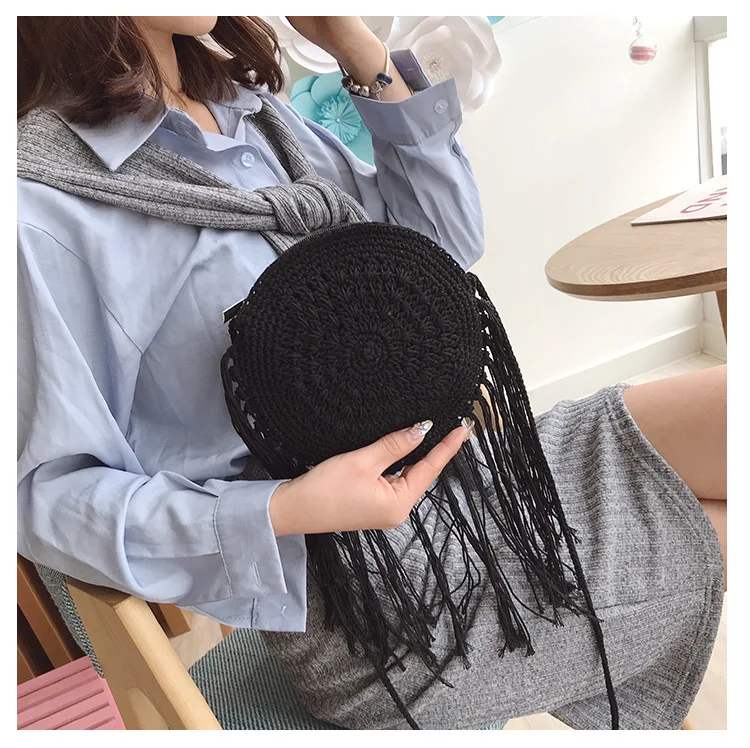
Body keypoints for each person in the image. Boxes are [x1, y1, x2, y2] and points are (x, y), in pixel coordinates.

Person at [17, 16, 726, 730]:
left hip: (479, 482)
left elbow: (436, 251)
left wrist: (355, 47)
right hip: (372, 606)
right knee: (720, 522)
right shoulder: (45, 207)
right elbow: (45, 498)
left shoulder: (251, 115)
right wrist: (285, 509)